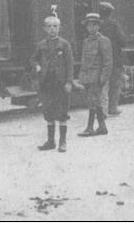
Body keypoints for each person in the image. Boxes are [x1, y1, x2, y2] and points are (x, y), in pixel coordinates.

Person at [29, 14, 74, 152]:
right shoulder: (41, 45)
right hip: (46, 83)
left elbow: (70, 64)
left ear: (59, 28)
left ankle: (62, 142)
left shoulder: (64, 44)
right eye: (49, 26)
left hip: (60, 83)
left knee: (62, 112)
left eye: (55, 26)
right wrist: (36, 65)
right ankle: (50, 141)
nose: (52, 29)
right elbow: (32, 59)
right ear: (44, 29)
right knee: (48, 111)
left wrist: (69, 81)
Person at [75, 13, 112, 137]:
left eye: (94, 25)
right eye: (89, 25)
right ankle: (102, 127)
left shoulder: (103, 41)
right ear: (86, 27)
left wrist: (103, 78)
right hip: (87, 77)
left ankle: (90, 127)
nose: (92, 28)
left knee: (93, 101)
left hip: (96, 77)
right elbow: (84, 60)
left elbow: (107, 62)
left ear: (99, 26)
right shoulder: (86, 41)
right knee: (94, 101)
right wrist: (81, 76)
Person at [98, 1, 127, 116]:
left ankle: (103, 111)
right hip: (115, 59)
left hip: (101, 60)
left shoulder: (97, 25)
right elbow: (123, 40)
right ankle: (113, 108)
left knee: (103, 85)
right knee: (115, 84)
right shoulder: (114, 24)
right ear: (110, 13)